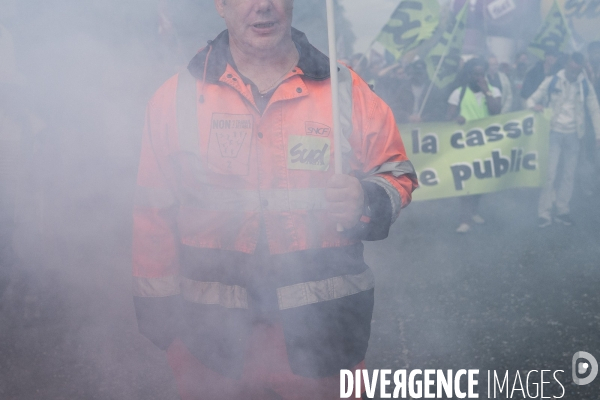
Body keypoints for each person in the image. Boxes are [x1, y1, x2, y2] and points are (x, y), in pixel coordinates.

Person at [132, 1, 418, 399]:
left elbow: (397, 172)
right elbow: (153, 209)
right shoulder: (175, 96)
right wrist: (159, 309)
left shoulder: (345, 89)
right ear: (221, 5)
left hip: (324, 337)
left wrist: (365, 198)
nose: (263, 5)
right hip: (211, 340)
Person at [527, 52, 600, 228]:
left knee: (569, 175)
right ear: (567, 64)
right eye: (573, 69)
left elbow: (594, 109)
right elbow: (531, 99)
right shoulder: (551, 80)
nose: (575, 74)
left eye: (579, 70)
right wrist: (533, 106)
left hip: (575, 134)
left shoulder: (584, 84)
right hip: (553, 133)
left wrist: (598, 135)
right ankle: (544, 213)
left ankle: (562, 210)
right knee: (550, 174)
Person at [446, 57, 502, 233]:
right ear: (469, 74)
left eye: (481, 74)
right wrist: (457, 119)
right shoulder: (458, 93)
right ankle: (465, 219)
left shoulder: (494, 91)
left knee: (481, 180)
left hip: (485, 144)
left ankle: (474, 211)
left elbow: (496, 111)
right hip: (464, 145)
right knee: (466, 181)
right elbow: (448, 118)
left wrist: (487, 91)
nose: (479, 77)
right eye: (475, 74)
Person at [378, 59, 446, 124]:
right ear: (412, 73)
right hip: (406, 126)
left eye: (421, 73)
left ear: (425, 73)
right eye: (417, 73)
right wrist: (407, 117)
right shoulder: (403, 88)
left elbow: (440, 109)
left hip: (427, 126)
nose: (419, 76)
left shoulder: (433, 89)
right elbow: (394, 108)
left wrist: (424, 119)